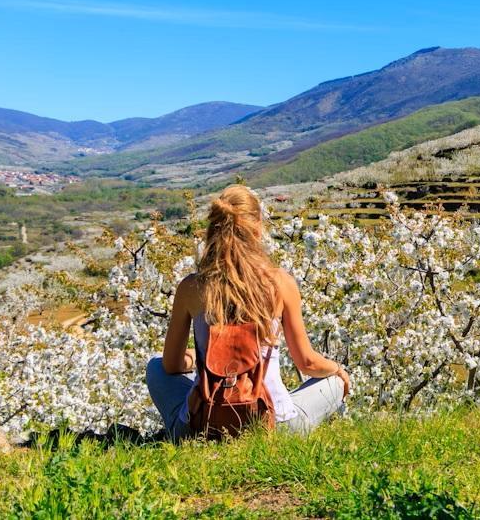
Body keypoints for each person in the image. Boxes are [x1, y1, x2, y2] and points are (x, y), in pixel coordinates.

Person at [145, 184, 350, 441]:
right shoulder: (281, 283)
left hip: (204, 424)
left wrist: (198, 359)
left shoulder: (192, 287)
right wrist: (339, 370)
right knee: (335, 381)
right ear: (258, 227)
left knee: (154, 368)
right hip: (276, 426)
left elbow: (171, 366)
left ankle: (185, 432)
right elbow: (306, 362)